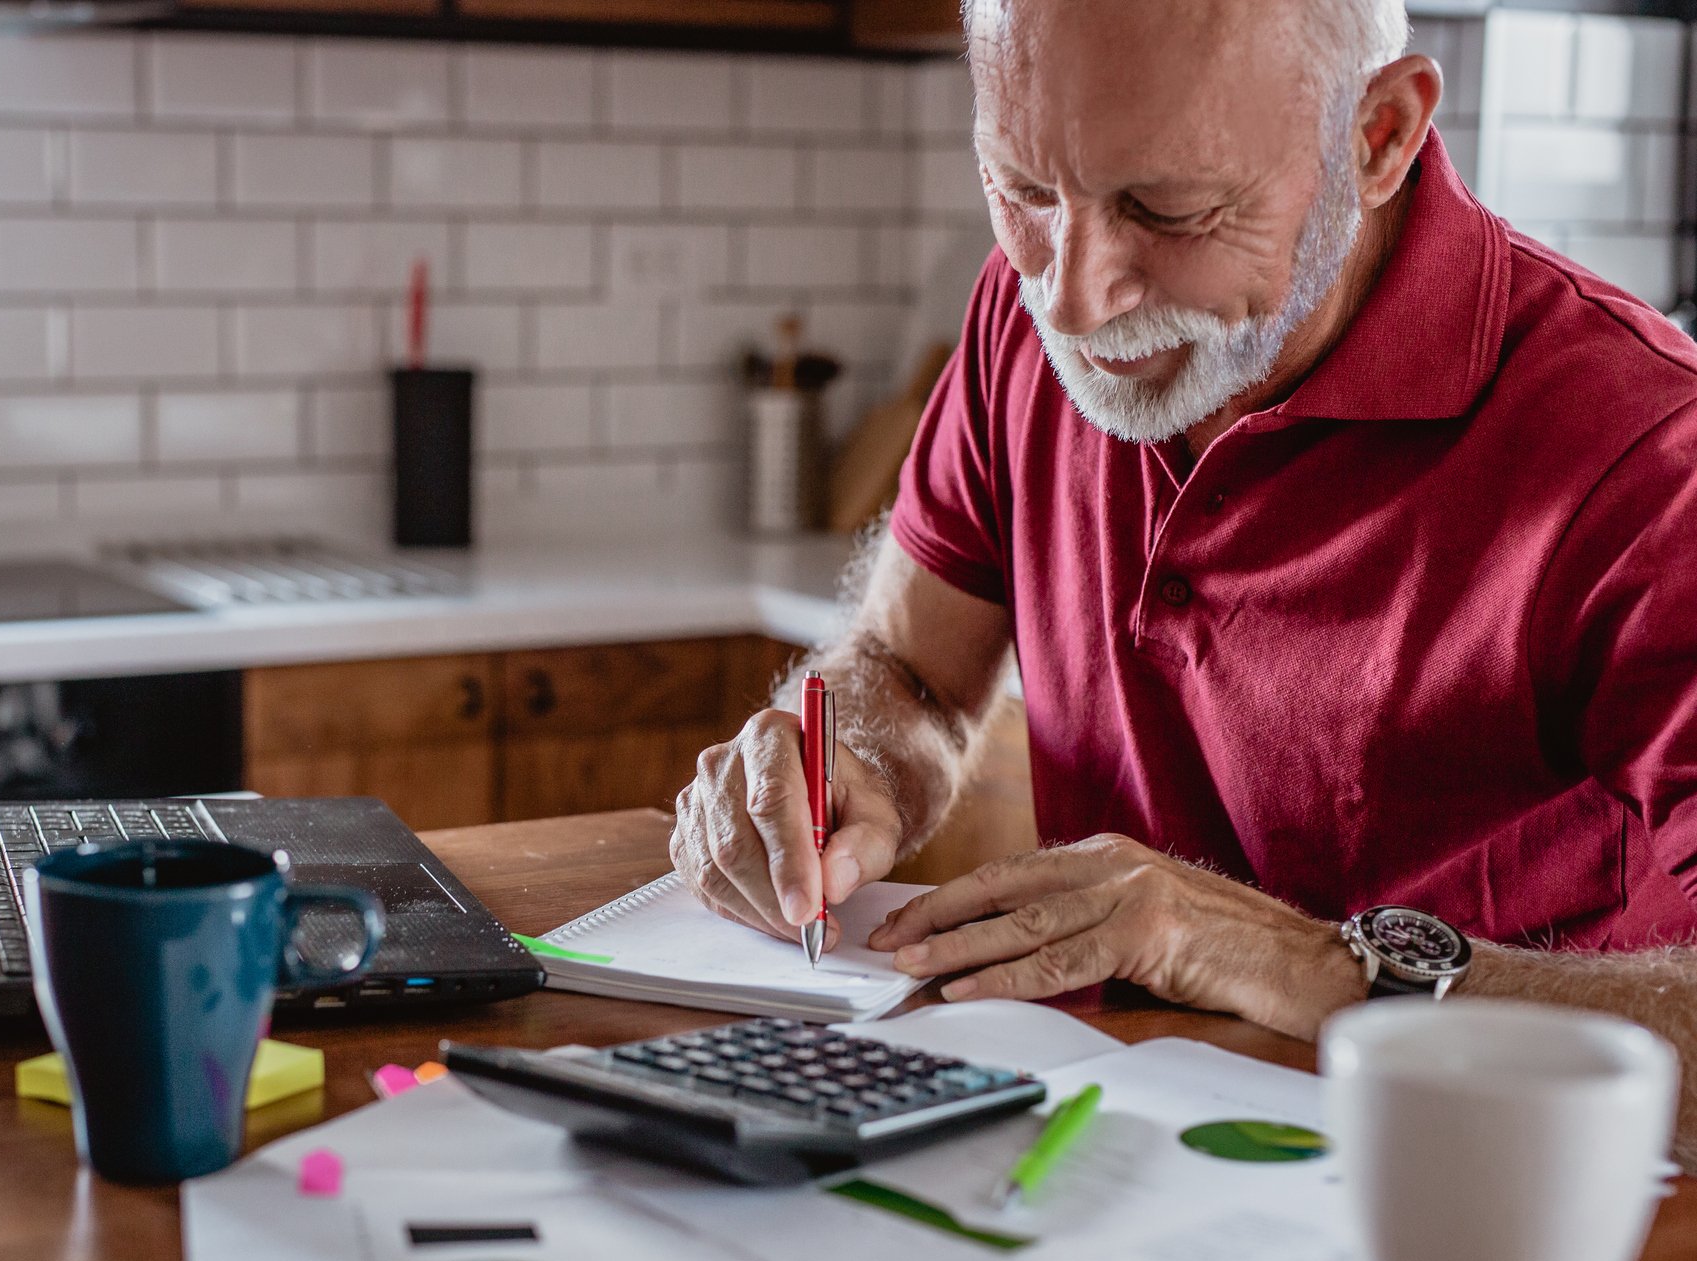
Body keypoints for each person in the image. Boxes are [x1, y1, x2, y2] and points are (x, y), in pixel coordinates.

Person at [673, 0, 1697, 1159]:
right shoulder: (1030, 324)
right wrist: (840, 763)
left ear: (1380, 135)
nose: (1071, 296)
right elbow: (907, 670)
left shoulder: (1648, 455)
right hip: (1107, 1162)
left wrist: (1299, 960)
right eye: (1023, 191)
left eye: (1168, 210)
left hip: (1496, 1208)